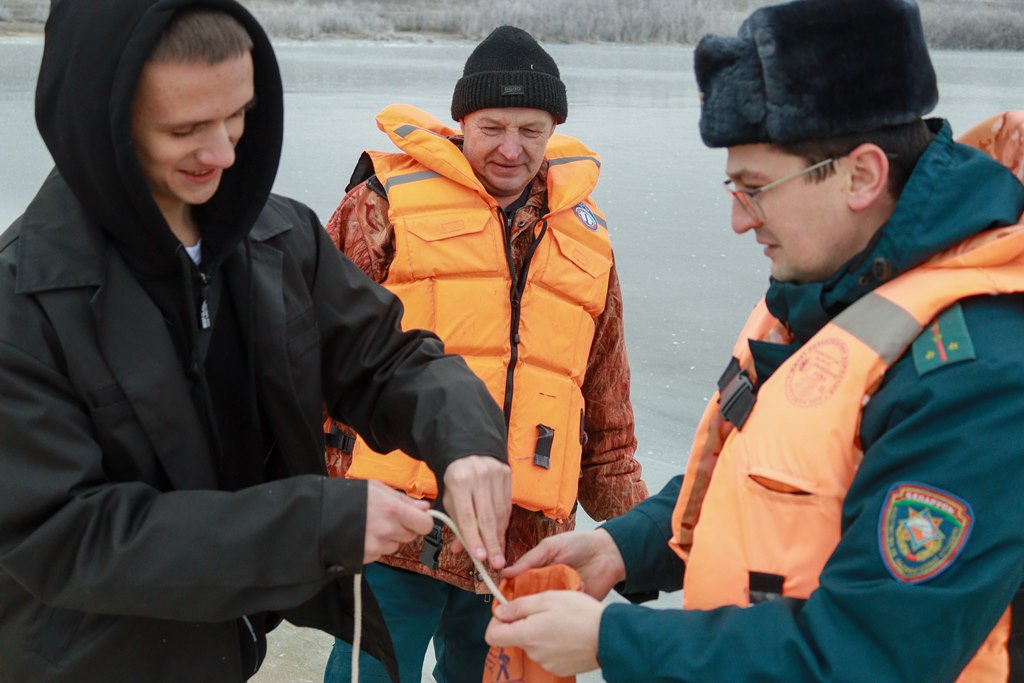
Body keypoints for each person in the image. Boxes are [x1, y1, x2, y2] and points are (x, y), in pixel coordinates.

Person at [484, 1, 1024, 681]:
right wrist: (624, 547)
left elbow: (870, 653)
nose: (740, 221)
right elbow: (761, 481)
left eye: (757, 189)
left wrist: (615, 641)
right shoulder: (834, 288)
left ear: (862, 175)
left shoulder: (976, 373)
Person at [0, 1, 514, 681]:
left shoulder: (278, 238)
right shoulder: (22, 301)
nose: (223, 152)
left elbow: (385, 359)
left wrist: (465, 438)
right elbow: (71, 537)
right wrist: (311, 527)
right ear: (103, 124)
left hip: (224, 650)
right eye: (186, 128)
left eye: (237, 114)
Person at [321, 25, 647, 683]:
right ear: (462, 122)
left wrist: (636, 538)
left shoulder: (587, 241)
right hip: (397, 530)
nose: (510, 148)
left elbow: (605, 405)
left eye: (531, 131)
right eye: (492, 127)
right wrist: (306, 504)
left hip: (525, 547)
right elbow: (311, 355)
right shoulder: (381, 206)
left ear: (554, 130)